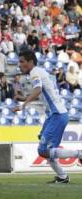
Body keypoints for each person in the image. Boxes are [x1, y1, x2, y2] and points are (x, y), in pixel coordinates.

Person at [12, 50, 82, 183]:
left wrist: (23, 105)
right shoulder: (40, 71)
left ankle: (79, 154)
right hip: (54, 115)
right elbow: (40, 93)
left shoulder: (34, 73)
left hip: (57, 115)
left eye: (22, 62)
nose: (19, 65)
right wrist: (24, 98)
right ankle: (62, 177)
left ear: (30, 62)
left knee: (43, 150)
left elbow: (37, 90)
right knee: (46, 149)